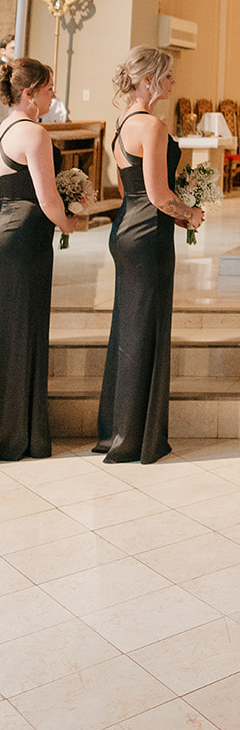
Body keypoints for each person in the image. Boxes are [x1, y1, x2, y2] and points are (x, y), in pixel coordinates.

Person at [95, 46, 203, 465]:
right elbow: (159, 195)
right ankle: (136, 438)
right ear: (148, 81)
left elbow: (128, 189)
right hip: (148, 238)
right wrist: (189, 214)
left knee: (128, 329)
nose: (174, 82)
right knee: (147, 331)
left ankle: (116, 429)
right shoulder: (152, 126)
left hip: (126, 229)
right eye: (169, 76)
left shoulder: (122, 123)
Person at [0, 58, 84, 460]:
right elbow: (47, 198)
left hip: (4, 234)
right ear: (30, 93)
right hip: (27, 239)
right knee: (25, 331)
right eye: (49, 89)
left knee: (7, 331)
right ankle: (21, 433)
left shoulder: (3, 129)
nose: (54, 95)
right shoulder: (34, 134)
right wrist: (70, 222)